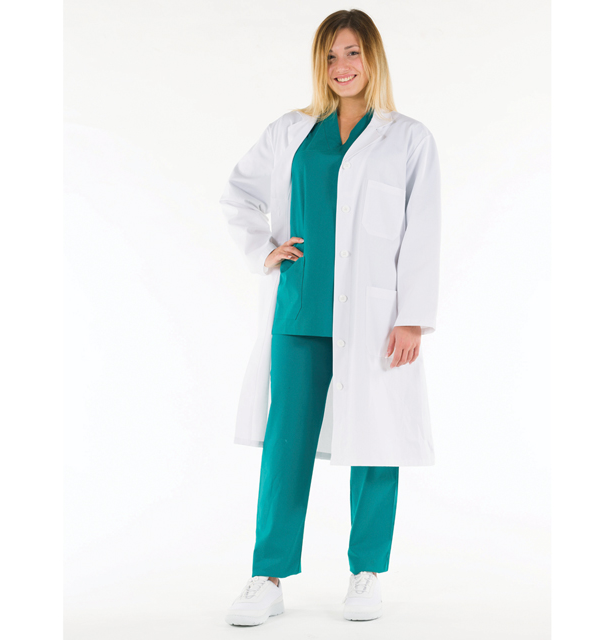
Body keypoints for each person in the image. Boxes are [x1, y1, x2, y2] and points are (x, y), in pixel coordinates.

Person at [219, 9, 441, 626]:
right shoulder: (291, 131)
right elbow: (238, 194)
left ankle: (366, 571)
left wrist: (413, 317)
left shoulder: (408, 138)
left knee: (377, 442)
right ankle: (267, 575)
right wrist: (265, 250)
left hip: (374, 319)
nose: (342, 67)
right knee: (284, 446)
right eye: (331, 56)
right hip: (298, 310)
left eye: (353, 53)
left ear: (374, 58)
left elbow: (422, 230)